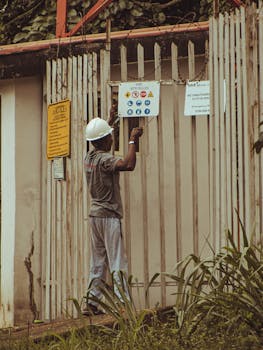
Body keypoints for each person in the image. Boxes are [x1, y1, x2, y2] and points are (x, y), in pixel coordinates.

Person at [83, 110, 143, 316]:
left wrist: (110, 121)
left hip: (95, 216)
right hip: (109, 216)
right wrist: (132, 141)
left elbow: (101, 139)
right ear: (105, 140)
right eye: (110, 135)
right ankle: (123, 304)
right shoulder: (106, 160)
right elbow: (128, 164)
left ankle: (91, 302)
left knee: (98, 260)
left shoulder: (89, 156)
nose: (112, 138)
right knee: (117, 260)